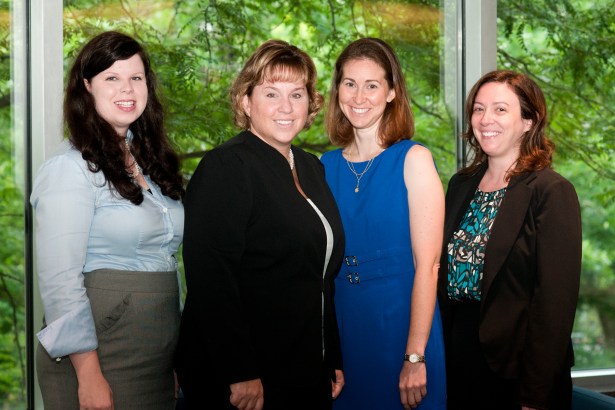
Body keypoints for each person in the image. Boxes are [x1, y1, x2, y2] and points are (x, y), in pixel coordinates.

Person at [174, 39, 345, 410]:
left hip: (303, 367)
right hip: (245, 376)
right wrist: (239, 371)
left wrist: (331, 355)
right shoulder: (226, 167)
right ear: (246, 102)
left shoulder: (312, 167)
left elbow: (319, 278)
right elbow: (210, 278)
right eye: (271, 93)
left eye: (297, 95)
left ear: (310, 104)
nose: (286, 107)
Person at [31, 31, 185, 410]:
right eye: (111, 78)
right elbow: (59, 281)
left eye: (135, 77)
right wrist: (88, 375)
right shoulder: (69, 169)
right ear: (87, 86)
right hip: (98, 353)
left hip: (156, 352)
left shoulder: (154, 164)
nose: (126, 88)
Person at [437, 70, 582, 409]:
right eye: (479, 108)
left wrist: (535, 395)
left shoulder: (551, 191)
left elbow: (554, 306)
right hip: (459, 358)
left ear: (529, 121)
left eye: (501, 109)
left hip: (519, 370)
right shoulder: (461, 185)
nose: (486, 119)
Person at [320, 37, 447, 410]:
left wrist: (414, 357)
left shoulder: (413, 159)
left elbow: (429, 267)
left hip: (402, 331)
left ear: (391, 92)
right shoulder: (322, 167)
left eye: (372, 85)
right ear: (338, 89)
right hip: (345, 332)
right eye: (350, 83)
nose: (359, 96)